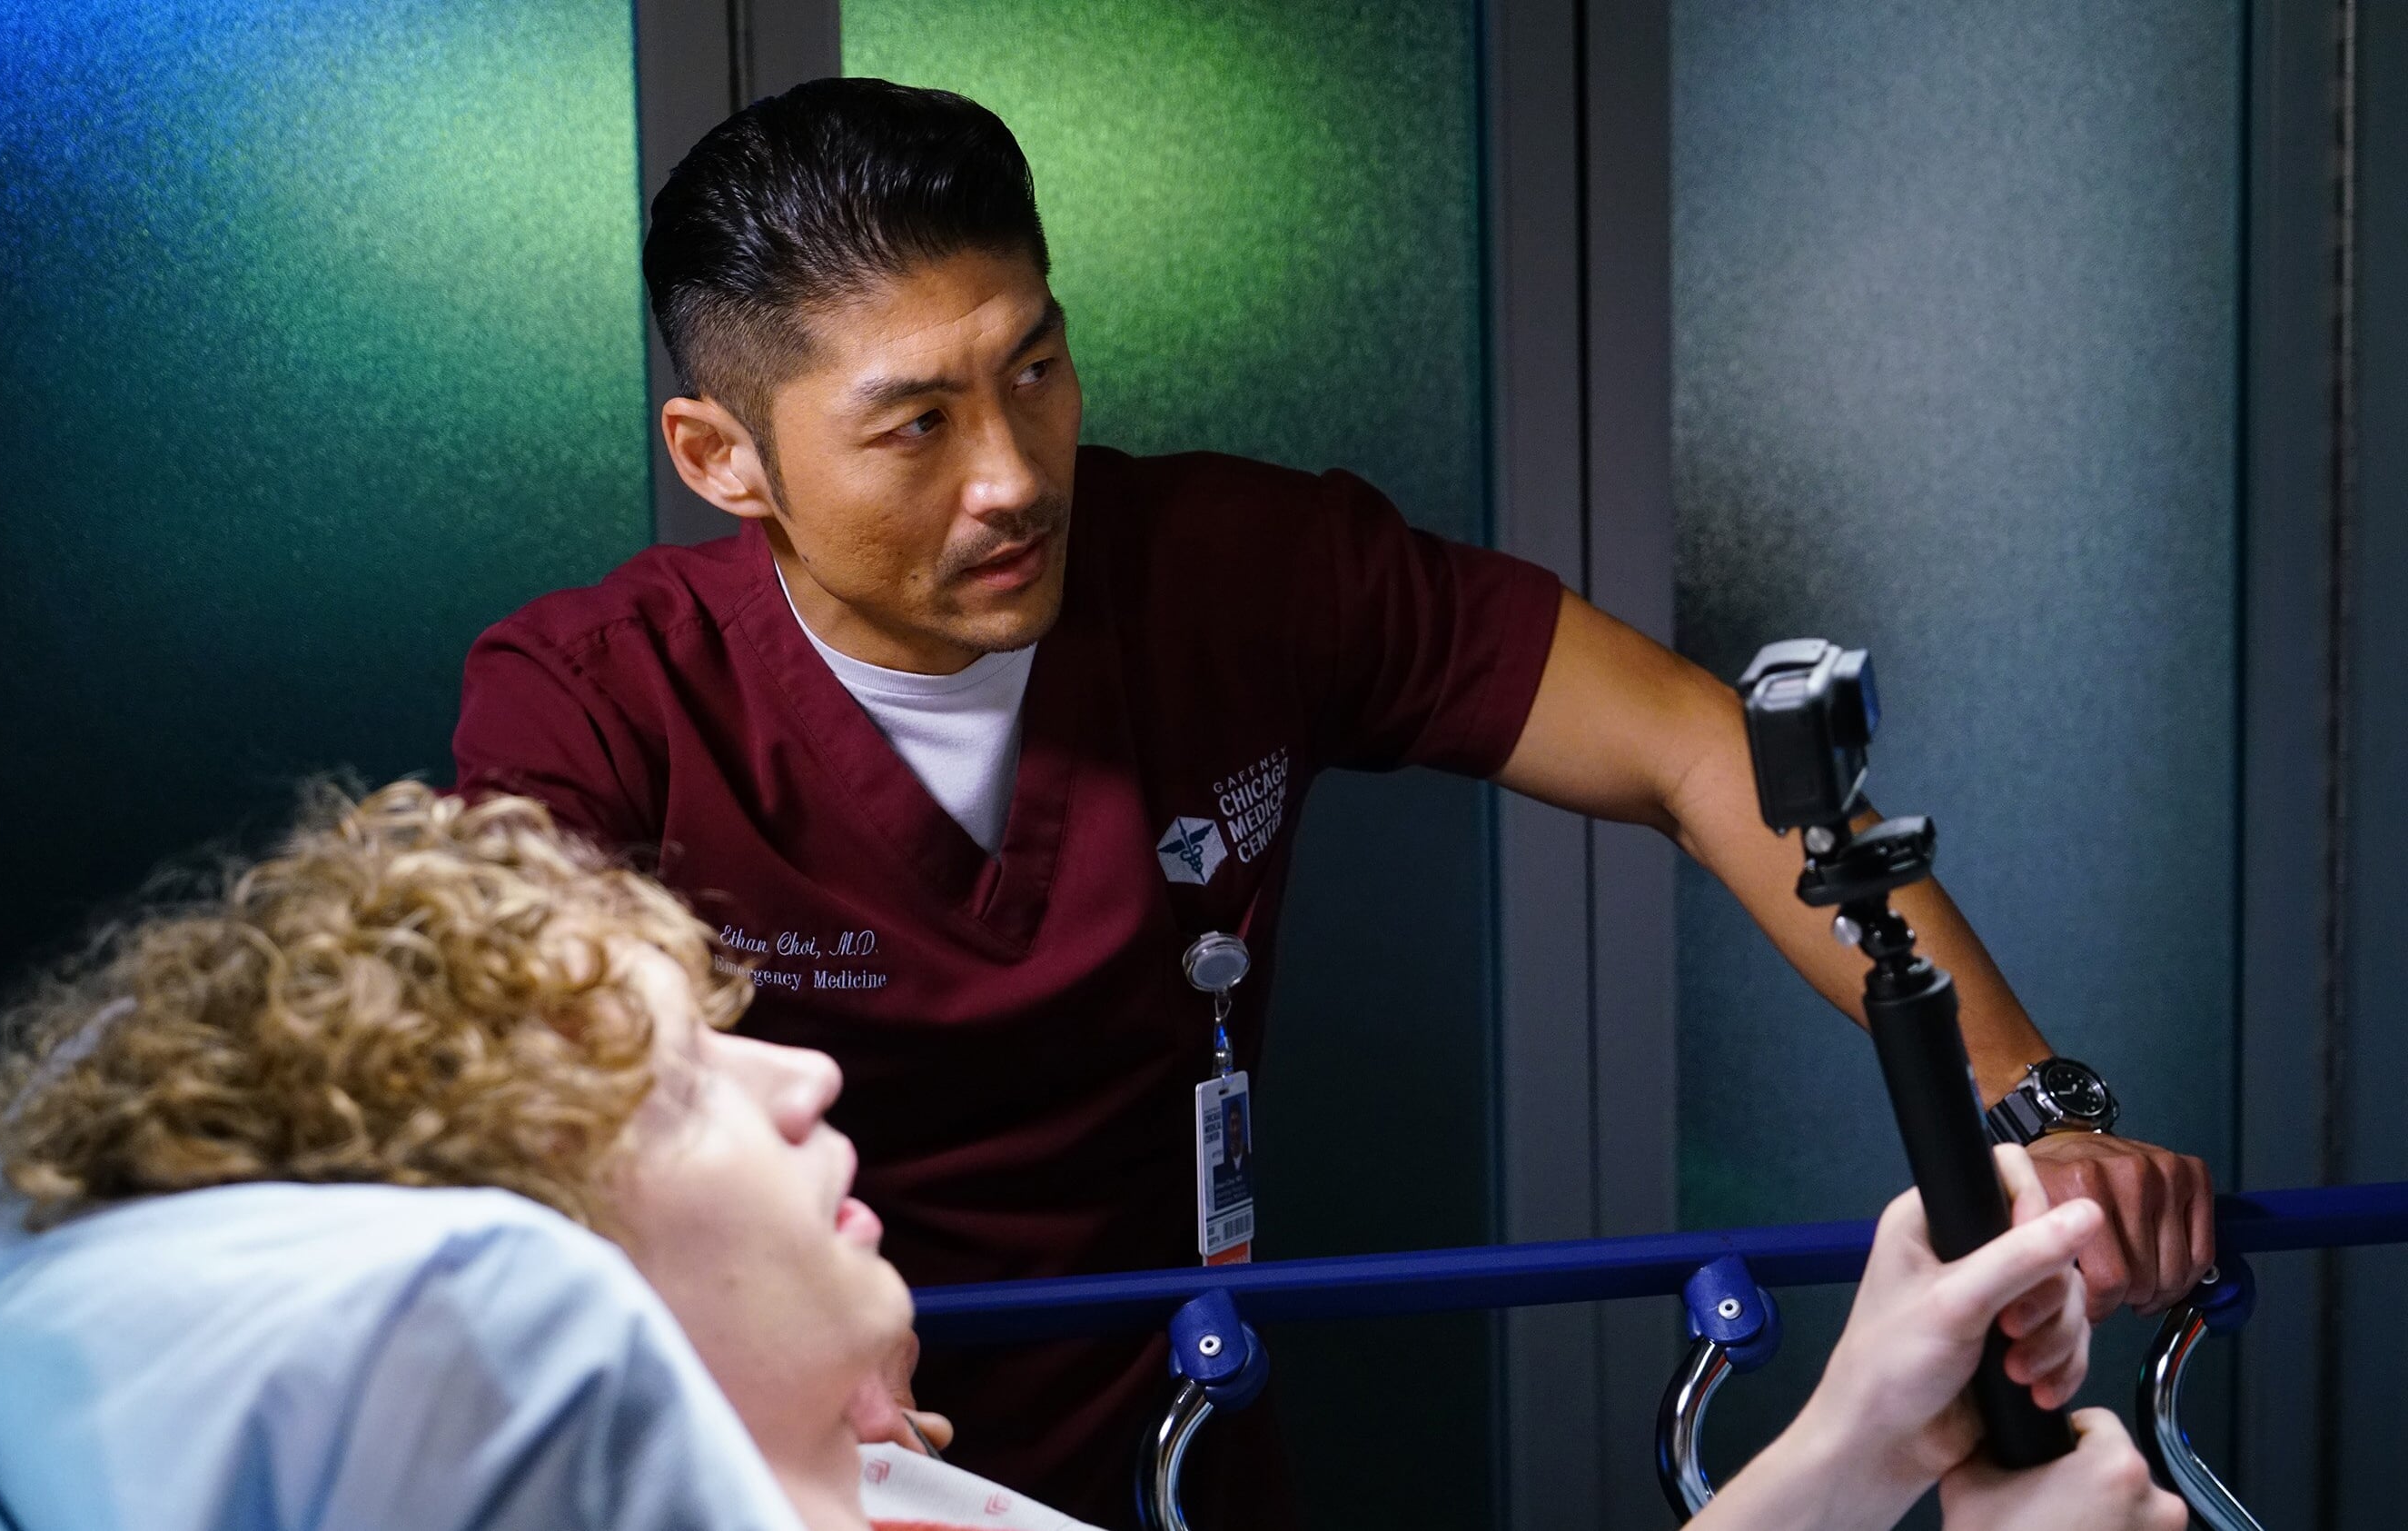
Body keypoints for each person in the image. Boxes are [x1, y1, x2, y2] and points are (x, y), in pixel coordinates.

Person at [451, 75, 2214, 1522]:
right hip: (801, 1453)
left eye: (1036, 370)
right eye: (915, 425)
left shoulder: (1238, 570)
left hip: (1180, 1426)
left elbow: (1698, 750)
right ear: (723, 458)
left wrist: (2033, 1104)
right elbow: (515, 1111)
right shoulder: (595, 700)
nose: (1012, 476)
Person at [0, 782, 2180, 1531]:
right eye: (682, 1079)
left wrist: (1855, 1435)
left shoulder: (882, 1498)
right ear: (547, 1255)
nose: (806, 1086)